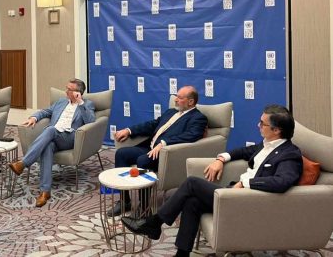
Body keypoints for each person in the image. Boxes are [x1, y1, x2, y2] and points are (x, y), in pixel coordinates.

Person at [120, 105, 303, 257]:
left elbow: (281, 182)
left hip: (249, 201)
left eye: (262, 123)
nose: (258, 126)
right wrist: (220, 159)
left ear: (277, 130)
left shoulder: (290, 154)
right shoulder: (266, 144)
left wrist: (245, 184)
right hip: (235, 194)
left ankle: (154, 223)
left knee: (191, 183)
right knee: (192, 202)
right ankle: (181, 254)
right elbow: (240, 152)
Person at [109, 85, 208, 216]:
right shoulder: (171, 112)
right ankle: (124, 201)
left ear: (191, 101)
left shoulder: (198, 118)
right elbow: (152, 125)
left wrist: (164, 143)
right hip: (149, 147)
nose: (175, 100)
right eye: (176, 96)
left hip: (166, 153)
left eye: (179, 97)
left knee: (142, 161)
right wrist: (129, 130)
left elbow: (191, 135)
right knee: (121, 154)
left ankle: (144, 207)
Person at [8, 78, 95, 207]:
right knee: (47, 146)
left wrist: (80, 102)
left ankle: (23, 163)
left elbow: (90, 122)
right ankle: (45, 191)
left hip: (70, 137)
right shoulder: (60, 102)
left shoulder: (87, 104)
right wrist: (34, 117)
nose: (66, 91)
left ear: (78, 92)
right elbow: (45, 111)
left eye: (69, 89)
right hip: (54, 136)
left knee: (50, 130)